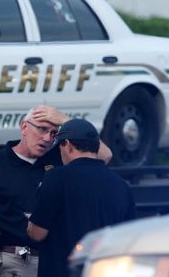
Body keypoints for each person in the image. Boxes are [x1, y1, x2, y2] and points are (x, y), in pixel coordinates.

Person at [0, 106, 112, 277]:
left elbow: (105, 155)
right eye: (42, 129)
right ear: (24, 127)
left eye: (54, 133)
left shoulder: (59, 160)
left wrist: (66, 121)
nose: (46, 138)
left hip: (52, 259)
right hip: (11, 258)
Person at [27, 118, 136, 277]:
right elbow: (128, 237)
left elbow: (37, 233)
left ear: (68, 145)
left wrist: (30, 223)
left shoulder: (56, 178)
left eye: (60, 147)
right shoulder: (121, 185)